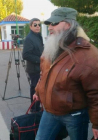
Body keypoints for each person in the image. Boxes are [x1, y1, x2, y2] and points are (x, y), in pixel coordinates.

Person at [33, 7, 98, 140]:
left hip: (75, 116)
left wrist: (96, 124)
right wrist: (38, 91)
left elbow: (95, 93)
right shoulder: (52, 46)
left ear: (68, 24)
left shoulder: (88, 54)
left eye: (54, 23)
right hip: (49, 111)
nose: (50, 27)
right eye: (49, 24)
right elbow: (44, 73)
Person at [22, 18, 44, 112]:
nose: (37, 26)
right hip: (34, 69)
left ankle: (37, 106)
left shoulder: (38, 36)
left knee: (39, 88)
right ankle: (34, 109)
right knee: (35, 88)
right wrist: (40, 60)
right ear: (31, 26)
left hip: (40, 67)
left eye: (39, 25)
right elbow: (25, 55)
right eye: (35, 25)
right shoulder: (29, 38)